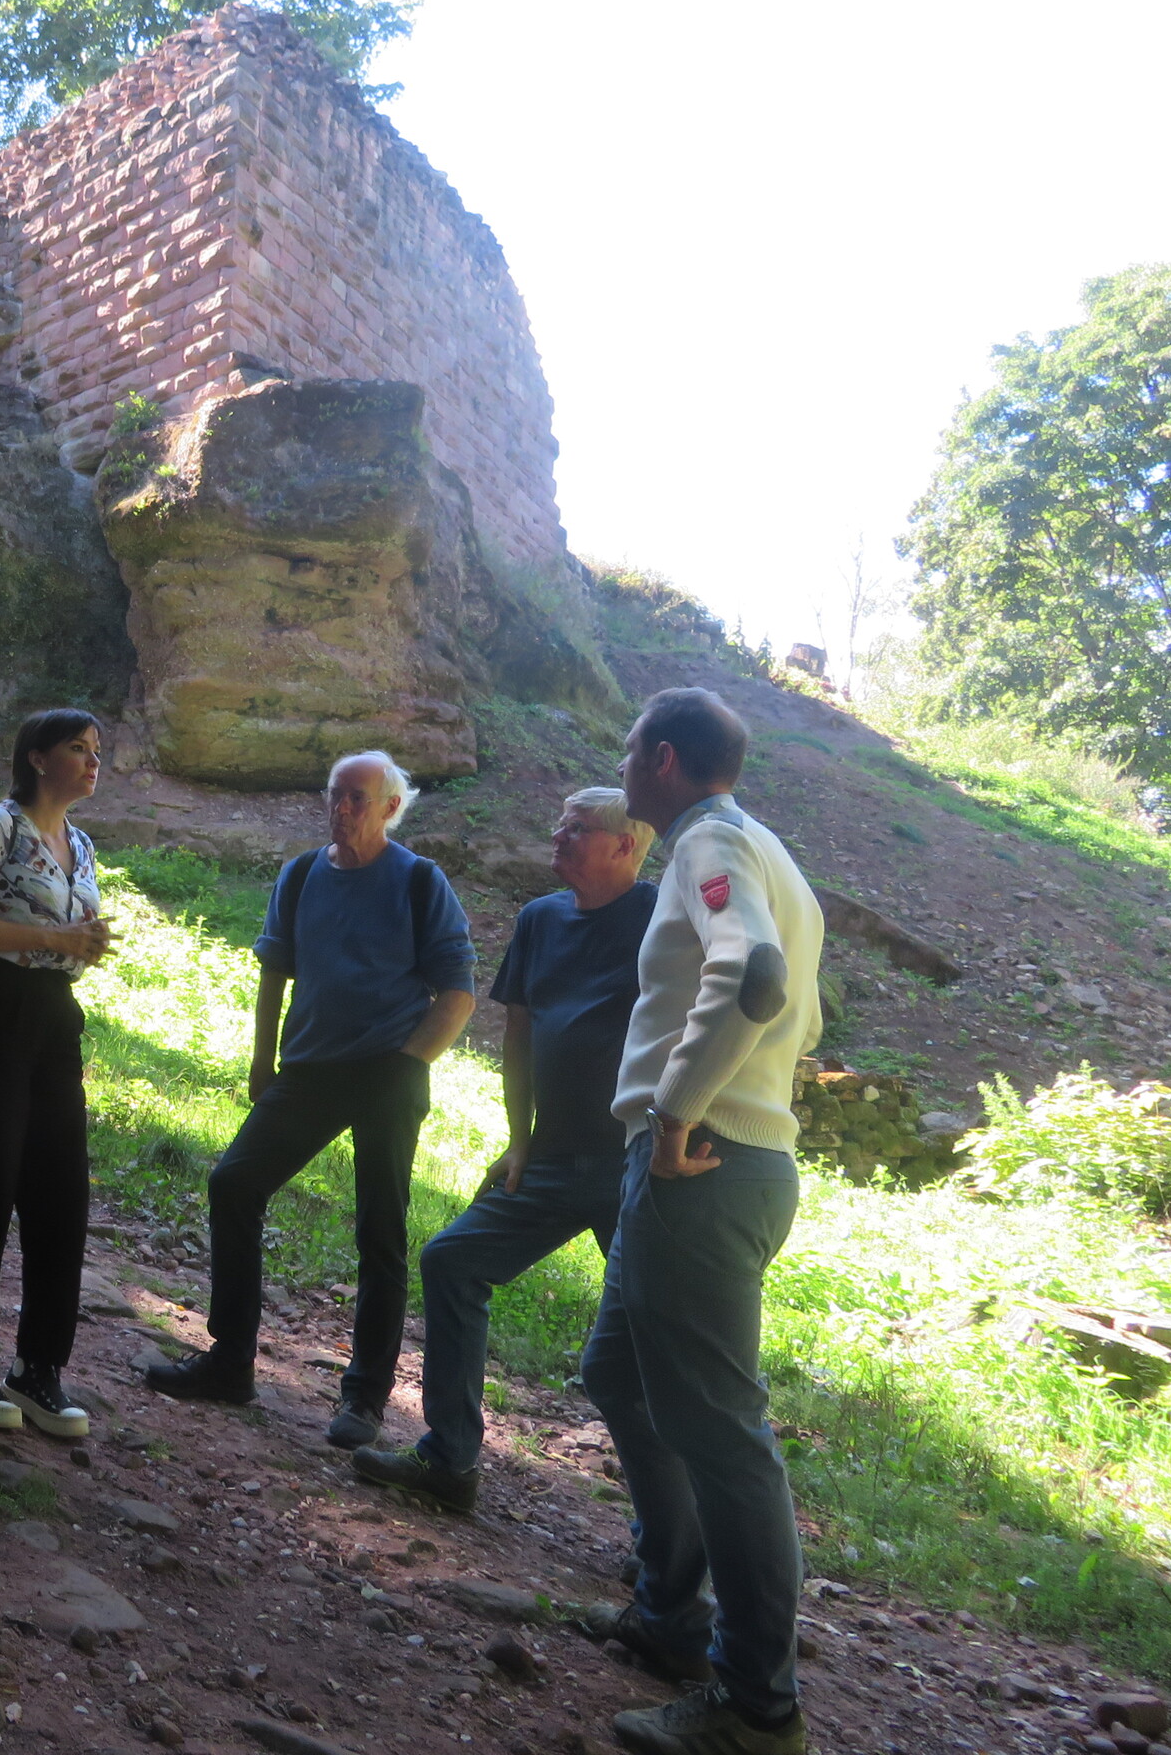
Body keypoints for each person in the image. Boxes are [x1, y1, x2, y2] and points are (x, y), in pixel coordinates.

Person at [582, 689, 823, 1755]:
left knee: (723, 1434)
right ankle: (670, 1613)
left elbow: (753, 974)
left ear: (666, 759)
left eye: (630, 751)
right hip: (738, 1161)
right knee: (618, 1372)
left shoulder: (706, 844)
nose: (622, 766)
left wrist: (677, 1110)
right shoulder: (770, 852)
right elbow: (798, 1003)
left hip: (700, 1161)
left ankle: (757, 1704)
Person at [144, 750, 476, 1449]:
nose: (342, 808)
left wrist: (407, 1066)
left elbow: (457, 992)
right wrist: (262, 1060)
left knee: (380, 1231)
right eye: (335, 795)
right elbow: (274, 970)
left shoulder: (420, 881)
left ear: (390, 808)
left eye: (358, 798)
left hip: (388, 1072)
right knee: (235, 1184)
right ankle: (230, 1362)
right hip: (310, 1070)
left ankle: (365, 1399)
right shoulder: (300, 875)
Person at [353, 786, 658, 1514]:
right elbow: (519, 1038)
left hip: (636, 1164)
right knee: (452, 1260)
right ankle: (450, 1459)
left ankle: (672, 1542)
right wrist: (520, 1141)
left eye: (576, 828)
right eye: (560, 823)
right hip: (551, 1158)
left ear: (624, 846)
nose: (557, 835)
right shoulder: (539, 920)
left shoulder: (660, 919)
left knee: (648, 1343)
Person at [0, 708, 113, 1438]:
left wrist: (81, 944)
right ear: (37, 757)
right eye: (78, 748)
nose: (93, 762)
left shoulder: (82, 843)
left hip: (52, 1016)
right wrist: (57, 937)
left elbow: (63, 935)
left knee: (60, 1192)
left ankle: (39, 1369)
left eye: (97, 751)